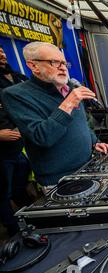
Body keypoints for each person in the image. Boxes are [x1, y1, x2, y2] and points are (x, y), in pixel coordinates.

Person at [2, 42, 108, 190]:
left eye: (63, 62)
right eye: (54, 62)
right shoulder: (16, 95)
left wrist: (94, 142)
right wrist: (68, 103)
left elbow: (82, 122)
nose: (62, 67)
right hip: (59, 180)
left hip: (89, 166)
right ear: (33, 66)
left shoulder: (70, 88)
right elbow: (42, 137)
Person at [0, 46, 30, 236]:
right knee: (4, 194)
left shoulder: (17, 77)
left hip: (19, 147)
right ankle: (13, 232)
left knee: (21, 187)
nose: (2, 54)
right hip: (2, 153)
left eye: (2, 51)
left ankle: (30, 220)